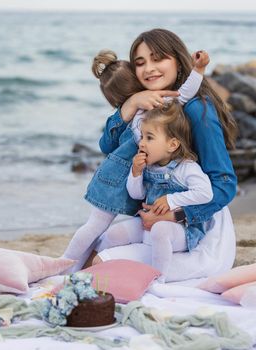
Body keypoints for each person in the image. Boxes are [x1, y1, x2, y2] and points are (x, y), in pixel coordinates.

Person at [91, 28, 238, 280]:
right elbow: (108, 147)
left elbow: (225, 185)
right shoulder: (147, 108)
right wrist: (130, 103)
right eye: (140, 63)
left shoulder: (195, 109)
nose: (149, 68)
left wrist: (176, 213)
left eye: (158, 58)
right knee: (100, 245)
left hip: (197, 229)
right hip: (155, 222)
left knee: (100, 264)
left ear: (178, 62)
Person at [61, 47, 210, 271]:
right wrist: (198, 69)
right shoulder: (151, 108)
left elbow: (107, 144)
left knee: (94, 227)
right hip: (120, 178)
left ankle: (69, 267)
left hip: (115, 175)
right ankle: (65, 266)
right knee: (95, 227)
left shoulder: (131, 112)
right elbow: (184, 94)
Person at [94, 100, 213, 278]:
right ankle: (96, 269)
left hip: (179, 232)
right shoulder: (149, 167)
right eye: (142, 136)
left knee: (160, 230)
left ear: (172, 144)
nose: (142, 143)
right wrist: (135, 173)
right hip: (147, 226)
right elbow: (137, 194)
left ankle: (158, 279)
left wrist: (171, 200)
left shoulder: (186, 167)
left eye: (149, 137)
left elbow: (205, 193)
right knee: (114, 232)